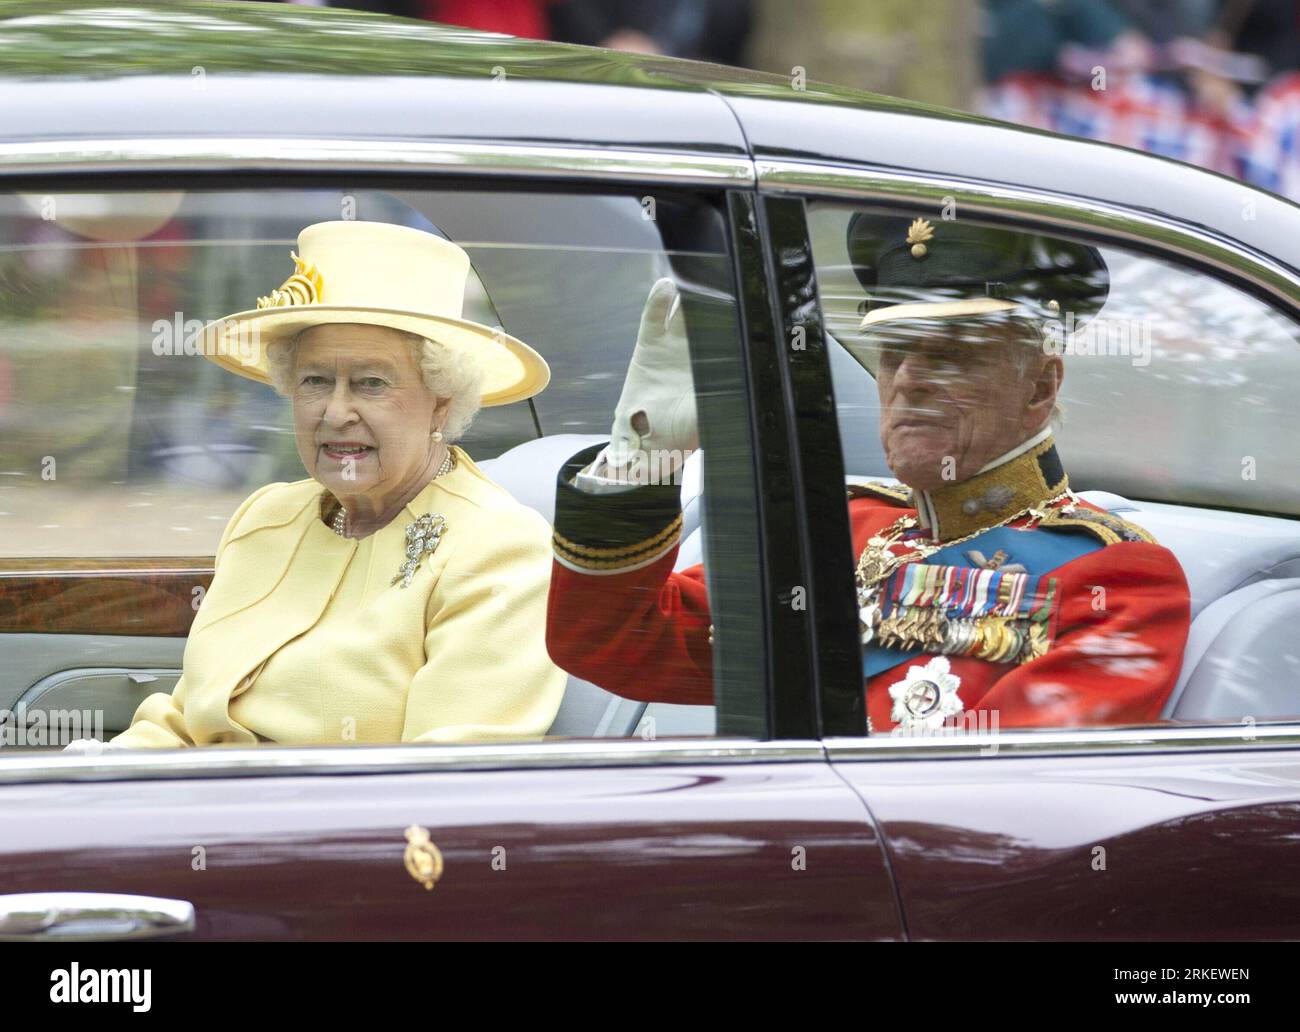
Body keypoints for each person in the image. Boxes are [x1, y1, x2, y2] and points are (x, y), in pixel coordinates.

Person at [545, 215, 1192, 732]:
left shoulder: (1112, 578)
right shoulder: (847, 528)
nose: (908, 379)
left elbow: (1008, 811)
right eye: (895, 354)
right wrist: (641, 455)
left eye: (948, 355)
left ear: (1039, 385)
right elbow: (612, 644)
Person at [68, 220, 565, 750]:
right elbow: (186, 722)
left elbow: (446, 781)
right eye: (315, 381)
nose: (335, 412)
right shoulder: (267, 518)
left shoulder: (500, 548)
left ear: (441, 401)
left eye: (371, 383)